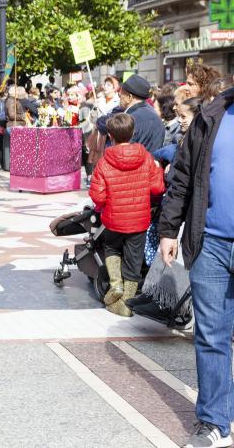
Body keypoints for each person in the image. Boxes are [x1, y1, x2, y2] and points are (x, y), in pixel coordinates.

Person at [159, 83, 234, 448]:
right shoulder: (211, 116)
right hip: (211, 244)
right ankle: (215, 421)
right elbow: (183, 177)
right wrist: (169, 230)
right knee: (211, 335)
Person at [88, 113, 164, 316]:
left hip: (113, 219)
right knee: (134, 258)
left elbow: (98, 195)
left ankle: (116, 285)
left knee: (111, 248)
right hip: (139, 220)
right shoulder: (146, 157)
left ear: (110, 135)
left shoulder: (104, 161)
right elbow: (157, 188)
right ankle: (127, 304)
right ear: (133, 133)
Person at [110, 74, 165, 155]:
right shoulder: (153, 114)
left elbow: (123, 152)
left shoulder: (130, 119)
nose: (119, 95)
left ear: (129, 97)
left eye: (121, 92)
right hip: (151, 165)